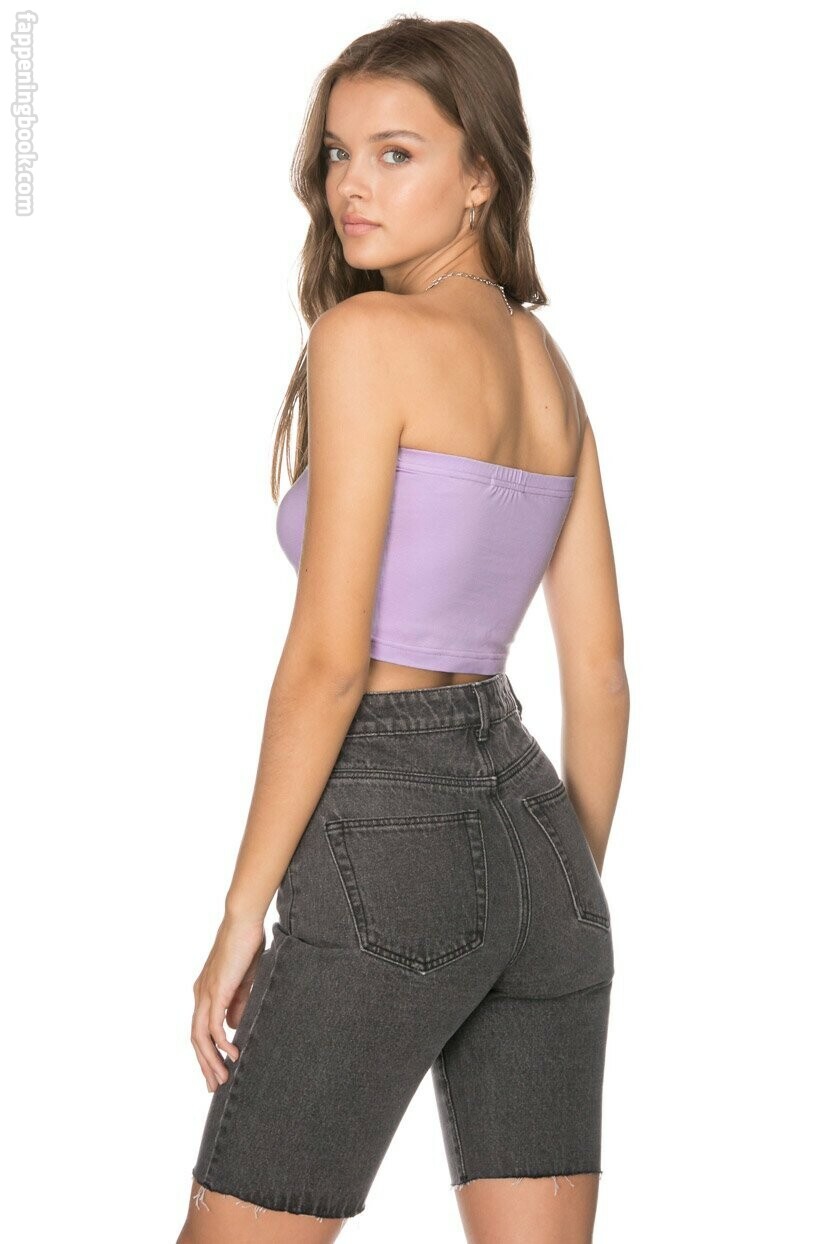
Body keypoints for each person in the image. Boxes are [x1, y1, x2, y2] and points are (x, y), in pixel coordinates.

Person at [177, 16, 628, 1244]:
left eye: (395, 153)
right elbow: (599, 675)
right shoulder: (548, 369)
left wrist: (239, 914)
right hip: (545, 842)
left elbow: (330, 663)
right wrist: (548, 896)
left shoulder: (366, 338)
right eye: (337, 153)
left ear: (479, 174)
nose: (351, 187)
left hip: (388, 814)